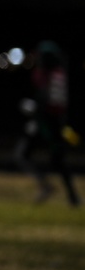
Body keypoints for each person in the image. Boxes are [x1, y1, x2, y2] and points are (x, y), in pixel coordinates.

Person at [13, 40, 80, 207]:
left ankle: (48, 186)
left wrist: (34, 109)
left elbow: (46, 102)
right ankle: (72, 197)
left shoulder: (49, 75)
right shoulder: (60, 73)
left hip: (46, 123)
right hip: (55, 123)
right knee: (59, 161)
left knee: (23, 155)